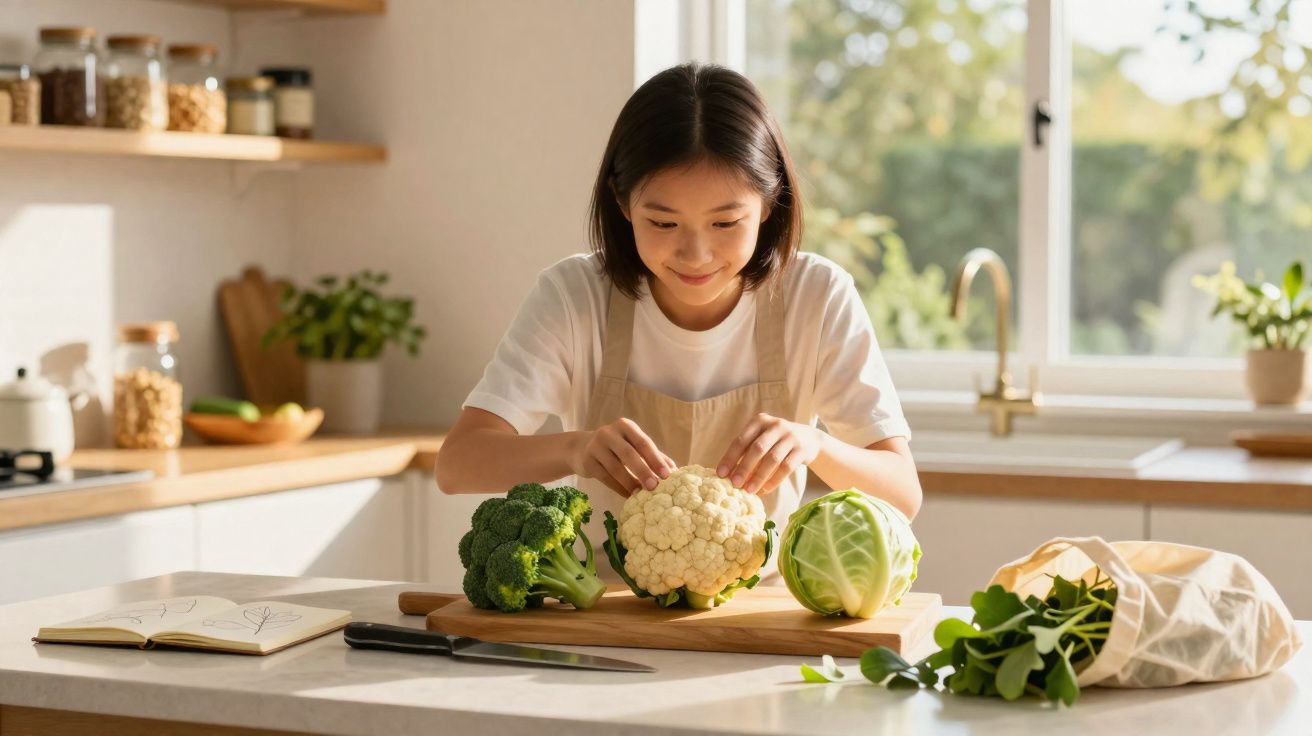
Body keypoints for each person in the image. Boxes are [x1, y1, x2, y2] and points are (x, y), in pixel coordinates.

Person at [436, 62, 921, 578]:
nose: (696, 253)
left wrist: (816, 445)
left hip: (761, 615)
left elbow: (902, 492)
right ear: (622, 203)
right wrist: (575, 448)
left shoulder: (816, 295)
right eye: (663, 222)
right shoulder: (574, 296)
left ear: (768, 204)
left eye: (726, 222)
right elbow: (458, 464)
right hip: (605, 613)